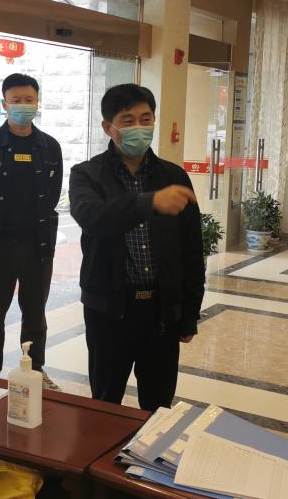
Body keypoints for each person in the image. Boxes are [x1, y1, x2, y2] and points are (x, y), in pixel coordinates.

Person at [70, 83, 205, 411]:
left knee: (159, 408)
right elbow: (92, 216)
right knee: (105, 406)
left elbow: (191, 249)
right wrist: (149, 203)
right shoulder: (87, 175)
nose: (139, 128)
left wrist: (189, 314)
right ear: (108, 127)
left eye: (146, 119)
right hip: (109, 311)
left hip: (160, 312)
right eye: (128, 121)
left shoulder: (173, 177)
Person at [0, 73, 63, 388]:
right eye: (16, 100)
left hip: (37, 246)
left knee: (35, 316)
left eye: (28, 100)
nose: (23, 105)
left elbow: (53, 194)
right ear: (4, 104)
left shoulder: (49, 147)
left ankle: (35, 372)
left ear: (37, 102)